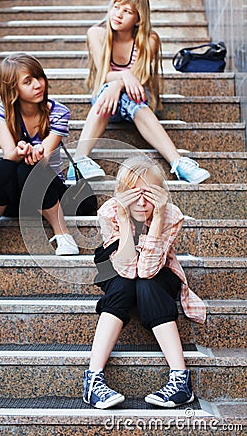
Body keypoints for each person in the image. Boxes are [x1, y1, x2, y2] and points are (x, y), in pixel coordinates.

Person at [83, 154, 206, 409]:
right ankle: (93, 379)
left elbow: (148, 270)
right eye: (133, 194)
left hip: (158, 270)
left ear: (161, 193)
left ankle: (181, 380)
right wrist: (125, 219)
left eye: (149, 194)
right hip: (119, 265)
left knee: (146, 284)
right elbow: (127, 269)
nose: (141, 202)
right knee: (123, 285)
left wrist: (158, 218)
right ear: (121, 193)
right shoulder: (110, 212)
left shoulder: (172, 216)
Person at [67, 0, 210, 184]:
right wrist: (122, 77)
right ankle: (176, 161)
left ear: (139, 19)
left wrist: (118, 84)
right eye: (116, 7)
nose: (118, 14)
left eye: (128, 11)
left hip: (137, 98)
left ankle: (79, 160)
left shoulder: (148, 40)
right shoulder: (97, 33)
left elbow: (137, 80)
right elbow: (103, 74)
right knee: (108, 90)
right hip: (106, 98)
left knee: (129, 97)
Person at [0, 52, 79, 256]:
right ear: (13, 88)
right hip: (15, 197)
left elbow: (44, 156)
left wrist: (34, 151)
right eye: (28, 81)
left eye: (39, 77)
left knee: (30, 167)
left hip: (50, 190)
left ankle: (62, 234)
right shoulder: (3, 112)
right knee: (2, 169)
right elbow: (8, 153)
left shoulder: (58, 112)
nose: (38, 84)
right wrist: (20, 150)